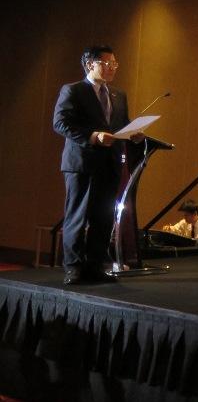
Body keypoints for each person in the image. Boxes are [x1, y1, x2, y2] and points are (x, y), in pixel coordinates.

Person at [53, 45, 141, 285]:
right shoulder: (73, 90)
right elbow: (60, 123)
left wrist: (133, 133)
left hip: (110, 164)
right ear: (90, 64)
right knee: (78, 217)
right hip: (82, 163)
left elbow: (121, 125)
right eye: (107, 63)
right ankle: (73, 268)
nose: (112, 68)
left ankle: (95, 266)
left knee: (103, 218)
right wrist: (92, 136)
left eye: (115, 64)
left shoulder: (119, 95)